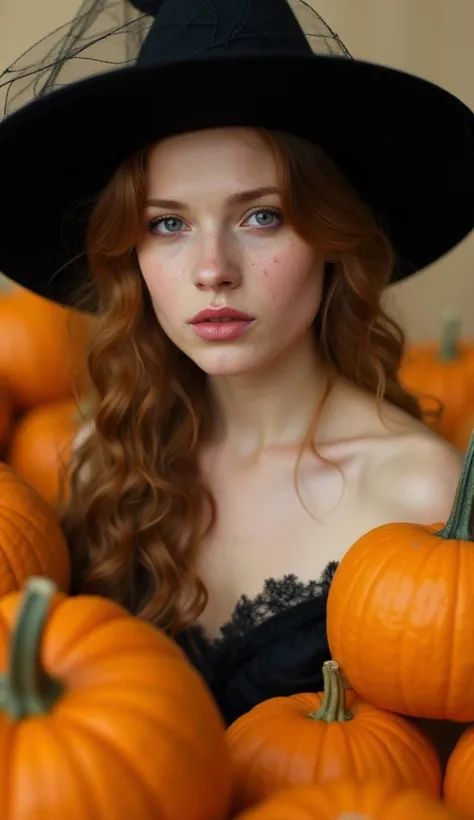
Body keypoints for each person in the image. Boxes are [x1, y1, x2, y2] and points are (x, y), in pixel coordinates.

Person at [0, 0, 473, 739]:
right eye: (169, 224)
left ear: (331, 237)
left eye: (261, 216)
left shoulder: (426, 493)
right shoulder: (106, 459)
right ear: (132, 256)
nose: (213, 270)